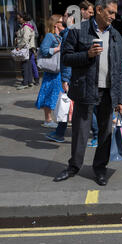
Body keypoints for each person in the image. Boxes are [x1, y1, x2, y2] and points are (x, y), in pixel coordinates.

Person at [54, 0, 122, 187]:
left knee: (105, 133)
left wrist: (120, 98)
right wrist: (87, 55)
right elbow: (66, 58)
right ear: (99, 10)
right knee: (80, 132)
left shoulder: (115, 35)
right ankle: (74, 167)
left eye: (115, 13)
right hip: (85, 89)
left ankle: (100, 168)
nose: (113, 16)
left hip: (108, 92)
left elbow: (117, 69)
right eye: (110, 12)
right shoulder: (78, 30)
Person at [45, 7, 75, 143]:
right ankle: (59, 132)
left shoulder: (70, 33)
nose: (62, 19)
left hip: (72, 75)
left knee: (83, 107)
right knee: (67, 103)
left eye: (64, 16)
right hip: (69, 74)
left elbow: (67, 59)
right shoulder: (68, 32)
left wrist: (65, 79)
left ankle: (97, 132)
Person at [35, 14, 65, 129]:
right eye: (62, 22)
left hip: (59, 71)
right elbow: (43, 50)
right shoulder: (50, 36)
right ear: (55, 24)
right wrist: (58, 49)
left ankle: (59, 118)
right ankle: (48, 120)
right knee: (49, 94)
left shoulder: (60, 37)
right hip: (52, 71)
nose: (64, 24)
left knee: (58, 95)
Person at [15, 12, 37, 90]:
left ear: (23, 18)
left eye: (19, 18)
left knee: (24, 66)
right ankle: (29, 81)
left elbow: (25, 39)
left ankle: (25, 83)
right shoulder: (26, 26)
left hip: (26, 49)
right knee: (28, 65)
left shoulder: (26, 27)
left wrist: (19, 47)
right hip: (29, 49)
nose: (18, 20)